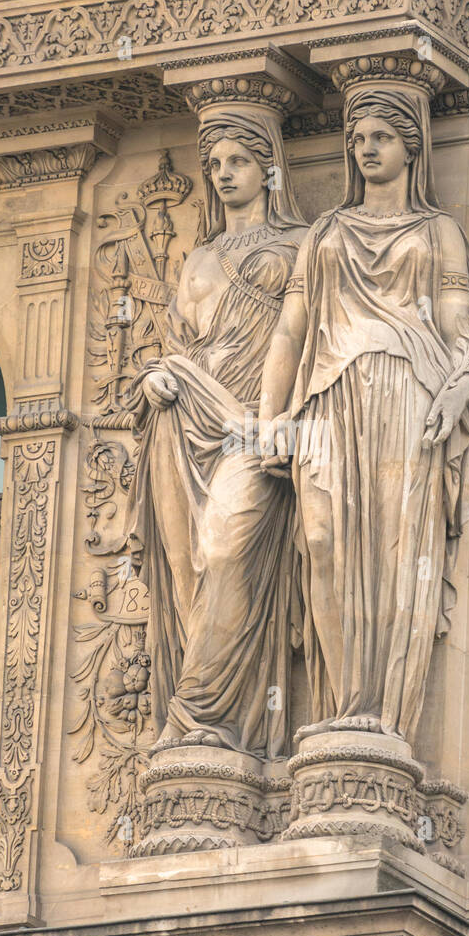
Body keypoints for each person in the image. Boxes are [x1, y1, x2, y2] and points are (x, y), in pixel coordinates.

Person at [259, 76, 469, 746]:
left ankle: (379, 711)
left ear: (411, 146)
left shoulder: (437, 232)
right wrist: (270, 419)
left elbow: (455, 316)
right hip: (327, 397)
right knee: (323, 542)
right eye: (356, 140)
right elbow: (290, 332)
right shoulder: (325, 232)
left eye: (381, 137)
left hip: (405, 394)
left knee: (393, 550)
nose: (366, 150)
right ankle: (339, 696)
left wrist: (462, 381)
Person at [129, 100, 307, 758]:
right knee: (183, 577)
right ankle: (197, 727)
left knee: (225, 554)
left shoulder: (301, 245)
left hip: (249, 428)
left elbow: (309, 340)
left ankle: (204, 714)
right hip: (182, 421)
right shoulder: (198, 258)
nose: (225, 174)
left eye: (239, 161)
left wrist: (280, 417)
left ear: (269, 168)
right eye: (215, 164)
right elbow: (175, 344)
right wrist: (153, 381)